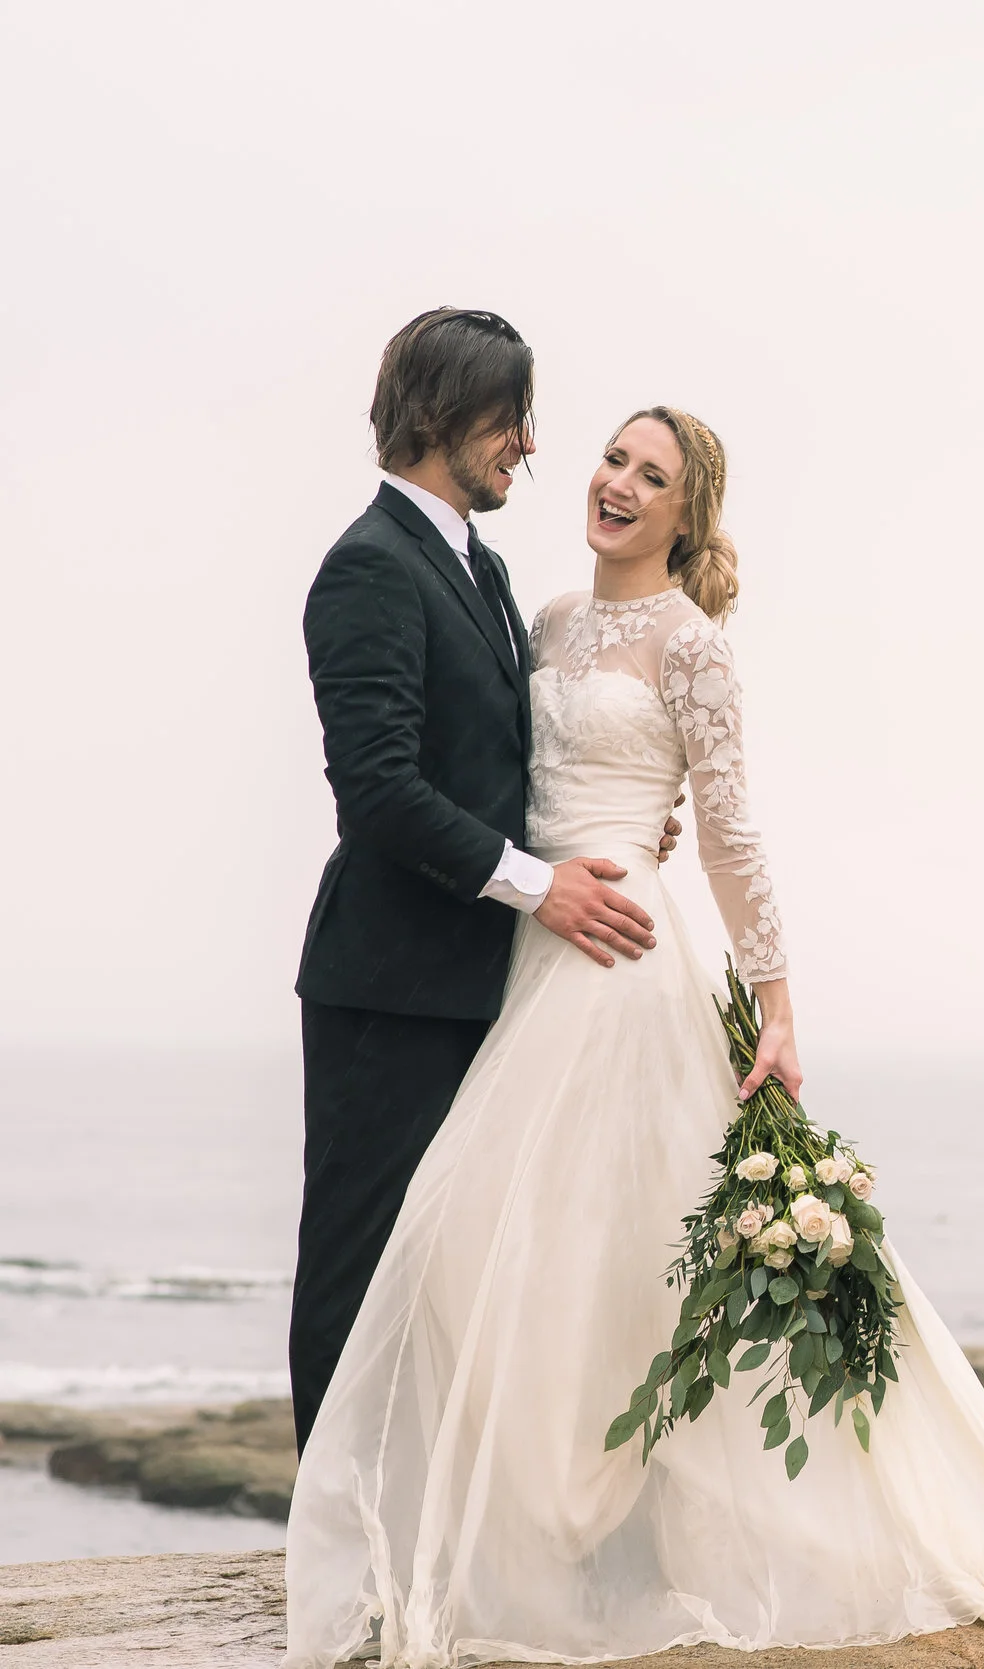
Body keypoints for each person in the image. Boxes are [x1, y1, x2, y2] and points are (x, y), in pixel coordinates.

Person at [284, 400, 984, 1669]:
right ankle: (512, 1537)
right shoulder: (538, 613)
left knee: (613, 1258)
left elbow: (727, 832)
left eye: (650, 474)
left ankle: (588, 1537)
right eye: (613, 457)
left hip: (622, 966)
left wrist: (776, 1004)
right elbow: (479, 766)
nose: (615, 482)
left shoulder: (691, 645)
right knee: (491, 1252)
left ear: (687, 512)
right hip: (522, 948)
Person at [292, 308, 678, 1453]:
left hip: (485, 987)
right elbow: (377, 790)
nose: (526, 443)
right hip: (388, 984)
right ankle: (337, 1552)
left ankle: (414, 1525)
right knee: (359, 1267)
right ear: (441, 416)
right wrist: (538, 884)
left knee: (446, 1269)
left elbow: (508, 757)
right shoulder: (367, 568)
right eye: (509, 418)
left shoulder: (484, 564)